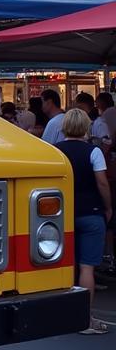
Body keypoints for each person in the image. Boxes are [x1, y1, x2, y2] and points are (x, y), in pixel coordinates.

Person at [55, 108, 112, 335]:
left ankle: (62, 315)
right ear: (86, 127)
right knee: (87, 267)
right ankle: (85, 319)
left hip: (63, 217)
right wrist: (108, 207)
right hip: (91, 212)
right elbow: (103, 184)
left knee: (66, 266)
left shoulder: (55, 151)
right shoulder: (94, 152)